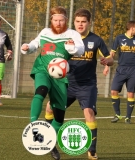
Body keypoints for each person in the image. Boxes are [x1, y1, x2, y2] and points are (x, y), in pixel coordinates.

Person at [44, 8, 113, 160]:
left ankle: (92, 150)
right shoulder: (64, 38)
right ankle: (49, 142)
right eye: (77, 22)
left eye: (83, 22)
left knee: (88, 112)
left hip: (87, 85)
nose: (80, 25)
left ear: (89, 23)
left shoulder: (96, 40)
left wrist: (107, 61)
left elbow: (110, 58)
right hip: (66, 83)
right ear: (73, 22)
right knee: (50, 107)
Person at [20, 6, 84, 160]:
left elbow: (80, 49)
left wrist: (72, 49)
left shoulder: (72, 34)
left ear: (66, 20)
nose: (58, 22)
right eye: (55, 20)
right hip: (42, 69)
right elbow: (35, 44)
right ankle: (33, 124)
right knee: (41, 91)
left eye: (61, 20)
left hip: (60, 77)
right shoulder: (45, 32)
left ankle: (50, 144)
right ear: (51, 20)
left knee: (59, 117)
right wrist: (27, 47)